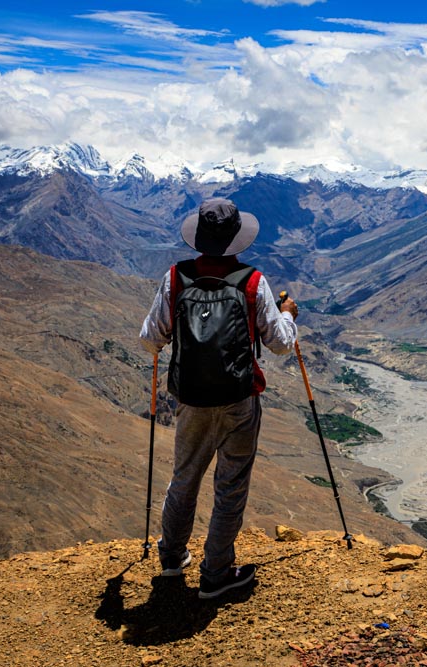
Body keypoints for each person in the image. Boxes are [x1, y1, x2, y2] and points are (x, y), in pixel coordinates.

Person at [139, 197, 298, 600]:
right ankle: (216, 573)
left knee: (184, 478)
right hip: (238, 400)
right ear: (236, 238)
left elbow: (150, 338)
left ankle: (172, 559)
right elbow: (279, 345)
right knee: (230, 485)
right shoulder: (252, 281)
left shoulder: (175, 278)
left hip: (191, 399)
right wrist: (289, 315)